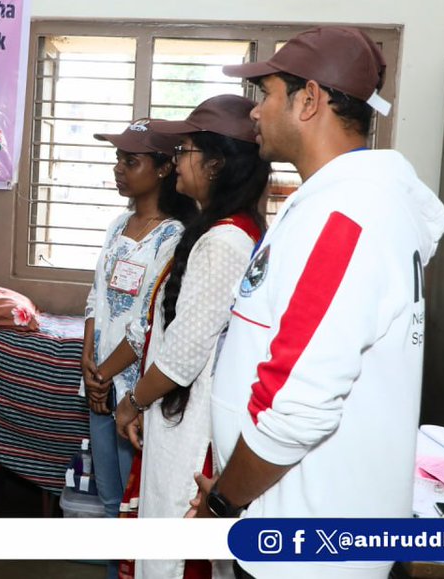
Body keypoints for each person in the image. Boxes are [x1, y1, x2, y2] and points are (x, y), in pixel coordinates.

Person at [195, 27, 444, 579]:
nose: (255, 114)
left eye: (265, 95)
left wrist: (224, 504)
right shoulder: (330, 203)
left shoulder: (345, 216)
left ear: (308, 100)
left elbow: (295, 404)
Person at [112, 96, 270, 579]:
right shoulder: (219, 229)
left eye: (183, 150)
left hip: (194, 430)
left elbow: (183, 352)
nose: (175, 160)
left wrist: (132, 402)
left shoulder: (224, 240)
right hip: (179, 419)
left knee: (175, 558)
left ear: (216, 163)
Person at [82, 121, 192, 553]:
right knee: (109, 506)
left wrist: (105, 374)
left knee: (132, 511)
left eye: (132, 161)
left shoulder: (175, 237)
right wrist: (87, 364)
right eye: (118, 160)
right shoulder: (118, 225)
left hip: (133, 394)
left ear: (165, 168)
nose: (119, 169)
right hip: (99, 388)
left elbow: (148, 322)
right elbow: (96, 296)